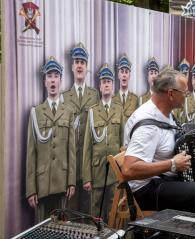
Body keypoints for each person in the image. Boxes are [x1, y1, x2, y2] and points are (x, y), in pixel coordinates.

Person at [122, 69, 195, 222]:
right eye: (184, 92)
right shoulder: (147, 125)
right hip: (146, 190)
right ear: (171, 94)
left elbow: (173, 150)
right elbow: (128, 170)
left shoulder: (166, 114)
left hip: (164, 181)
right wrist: (172, 164)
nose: (187, 95)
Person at [26, 57, 76, 222]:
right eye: (49, 76)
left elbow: (71, 151)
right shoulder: (36, 113)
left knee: (61, 230)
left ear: (61, 80)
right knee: (42, 230)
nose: (53, 79)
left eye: (56, 75)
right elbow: (31, 153)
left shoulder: (68, 112)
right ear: (45, 81)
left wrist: (71, 182)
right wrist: (31, 189)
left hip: (62, 183)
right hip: (41, 185)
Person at [83, 64, 123, 220]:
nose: (106, 84)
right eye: (104, 81)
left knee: (115, 211)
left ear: (113, 86)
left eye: (109, 81)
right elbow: (87, 147)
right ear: (99, 86)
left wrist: (123, 171)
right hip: (97, 172)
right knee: (96, 211)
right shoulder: (92, 111)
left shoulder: (118, 110)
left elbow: (123, 143)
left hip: (114, 172)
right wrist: (86, 177)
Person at [63, 43, 100, 214]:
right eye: (76, 61)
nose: (79, 65)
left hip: (89, 163)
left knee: (88, 210)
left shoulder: (94, 95)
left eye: (82, 62)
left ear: (86, 67)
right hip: (69, 164)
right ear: (71, 66)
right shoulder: (64, 97)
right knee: (70, 210)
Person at [112, 54, 139, 122]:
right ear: (118, 75)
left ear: (129, 76)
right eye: (122, 72)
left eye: (126, 72)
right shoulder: (112, 99)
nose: (124, 75)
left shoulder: (135, 99)